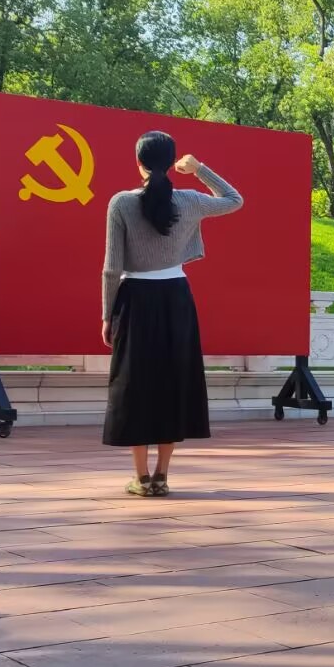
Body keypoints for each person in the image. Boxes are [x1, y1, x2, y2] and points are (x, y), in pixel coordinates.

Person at [100, 132, 243, 496]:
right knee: (172, 382)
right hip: (176, 298)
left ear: (138, 163)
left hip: (134, 299)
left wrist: (107, 315)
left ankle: (141, 478)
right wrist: (200, 170)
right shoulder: (190, 200)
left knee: (134, 384)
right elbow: (234, 199)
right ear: (172, 162)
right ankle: (162, 475)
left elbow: (111, 268)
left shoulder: (121, 203)